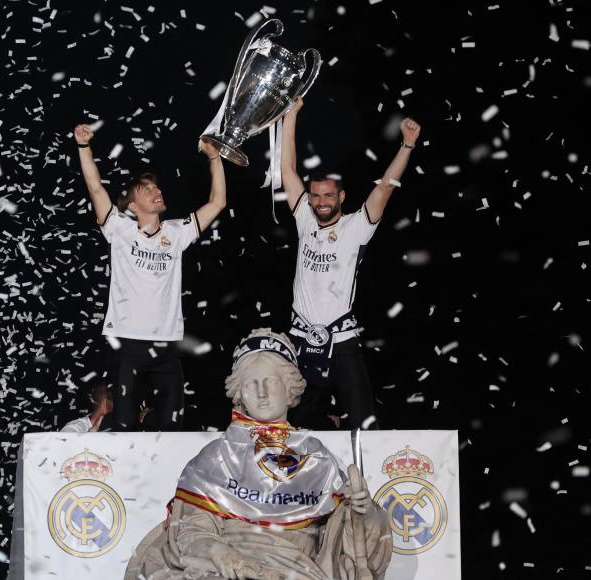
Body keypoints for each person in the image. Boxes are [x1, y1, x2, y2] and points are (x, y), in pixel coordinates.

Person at [125, 328, 392, 580]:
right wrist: (223, 555)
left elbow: (349, 544)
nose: (262, 393)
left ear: (290, 390)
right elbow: (192, 531)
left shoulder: (316, 456)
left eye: (270, 382)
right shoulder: (217, 456)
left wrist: (364, 513)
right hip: (231, 571)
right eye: (252, 384)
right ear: (239, 392)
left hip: (297, 571)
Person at [280, 97, 421, 430]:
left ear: (341, 197)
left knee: (362, 421)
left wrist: (408, 145)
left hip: (342, 341)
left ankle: (366, 477)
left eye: (328, 195)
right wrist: (291, 116)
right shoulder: (304, 219)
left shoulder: (356, 227)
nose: (320, 202)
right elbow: (287, 169)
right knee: (291, 424)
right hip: (300, 338)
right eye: (315, 195)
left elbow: (385, 188)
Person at [74, 124, 227, 431]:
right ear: (132, 205)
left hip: (167, 345)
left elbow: (217, 202)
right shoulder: (120, 229)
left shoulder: (177, 232)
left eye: (157, 189)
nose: (158, 192)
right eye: (148, 190)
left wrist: (214, 159)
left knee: (173, 426)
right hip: (128, 344)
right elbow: (95, 188)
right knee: (125, 425)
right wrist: (83, 147)